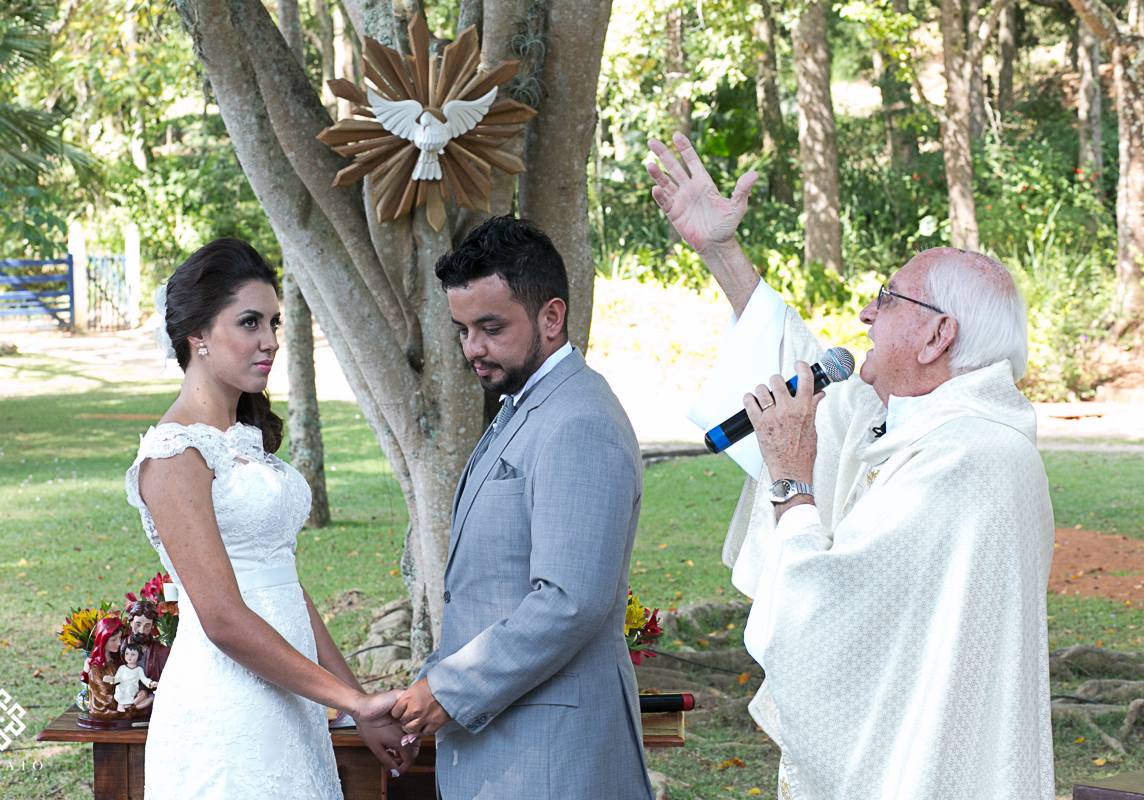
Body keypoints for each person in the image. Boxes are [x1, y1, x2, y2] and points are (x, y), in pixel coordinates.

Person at [647, 134, 1055, 799]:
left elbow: (820, 612)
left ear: (937, 334)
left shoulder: (971, 458)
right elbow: (794, 363)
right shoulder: (909, 422)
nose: (865, 311)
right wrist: (721, 252)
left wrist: (791, 481)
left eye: (887, 298)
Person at [124, 239, 411, 800]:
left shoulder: (245, 443)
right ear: (197, 335)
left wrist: (358, 709)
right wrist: (348, 701)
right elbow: (223, 618)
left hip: (292, 699)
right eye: (250, 322)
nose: (271, 341)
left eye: (274, 322)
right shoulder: (173, 456)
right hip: (226, 707)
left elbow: (286, 587)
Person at [391, 215, 654, 800]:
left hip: (555, 758)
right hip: (506, 748)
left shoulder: (579, 420)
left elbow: (570, 602)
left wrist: (449, 689)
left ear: (552, 317)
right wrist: (429, 685)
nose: (472, 349)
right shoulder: (523, 403)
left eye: (491, 328)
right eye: (462, 330)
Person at [124, 599, 169, 710]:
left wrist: (152, 697)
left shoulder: (162, 652)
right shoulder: (120, 647)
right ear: (130, 622)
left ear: (153, 626)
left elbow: (169, 683)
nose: (141, 631)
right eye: (137, 624)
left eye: (147, 626)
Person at [84, 615, 129, 718]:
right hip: (105, 710)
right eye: (113, 640)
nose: (118, 643)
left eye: (119, 638)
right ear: (103, 640)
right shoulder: (95, 669)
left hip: (120, 703)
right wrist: (125, 704)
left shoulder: (116, 662)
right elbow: (104, 697)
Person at [106, 643, 157, 711]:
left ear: (138, 656)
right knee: (119, 688)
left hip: (133, 687)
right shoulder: (122, 668)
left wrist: (151, 683)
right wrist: (112, 679)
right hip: (123, 686)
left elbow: (144, 679)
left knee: (130, 689)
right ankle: (121, 705)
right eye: (127, 653)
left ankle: (128, 704)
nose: (129, 657)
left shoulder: (139, 669)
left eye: (133, 654)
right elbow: (117, 678)